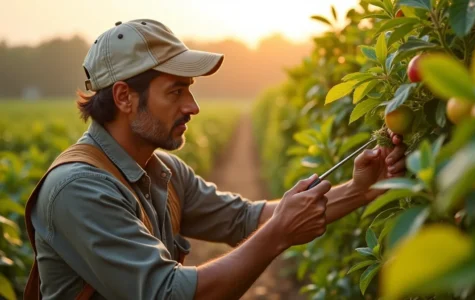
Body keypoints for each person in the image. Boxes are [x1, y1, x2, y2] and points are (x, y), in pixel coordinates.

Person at [25, 19, 407, 300]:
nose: (192, 106)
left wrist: (358, 191)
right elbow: (168, 295)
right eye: (175, 91)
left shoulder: (163, 171)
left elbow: (246, 219)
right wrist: (277, 237)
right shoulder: (78, 188)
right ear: (125, 97)